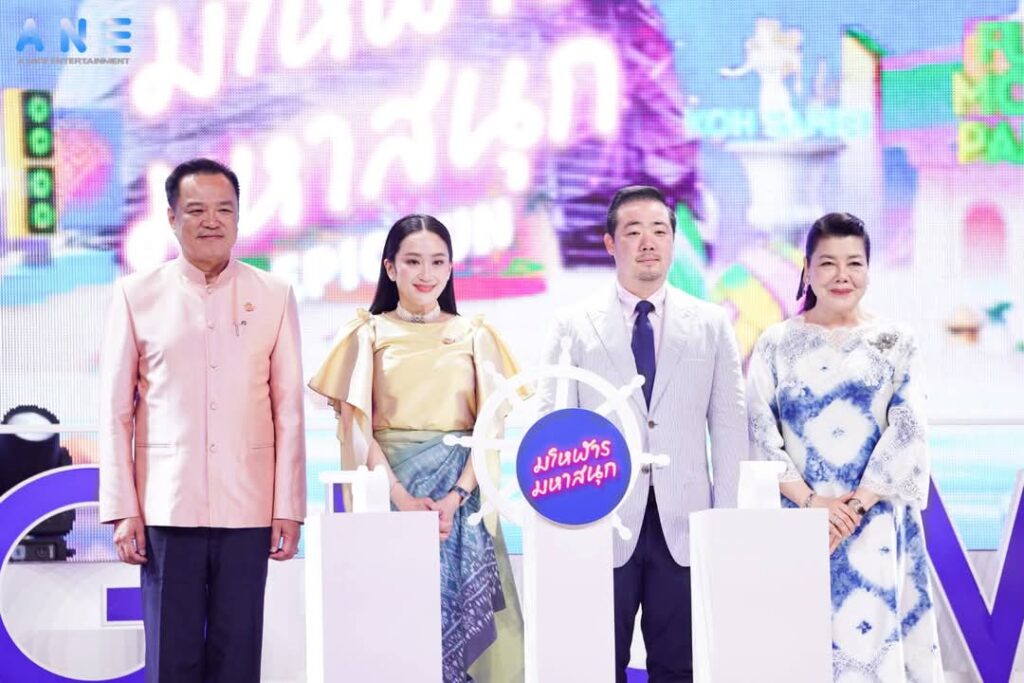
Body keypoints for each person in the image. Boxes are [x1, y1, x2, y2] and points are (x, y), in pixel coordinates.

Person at [98, 158, 307, 683]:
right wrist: (123, 509)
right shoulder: (136, 295)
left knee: (239, 658)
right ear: (171, 218)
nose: (211, 221)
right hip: (166, 507)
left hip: (249, 508)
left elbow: (289, 410)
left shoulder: (274, 294)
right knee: (171, 658)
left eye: (224, 210)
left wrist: (288, 507)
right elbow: (116, 413)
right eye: (196, 210)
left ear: (238, 216)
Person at [540, 186, 747, 683]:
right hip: (600, 518)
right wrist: (563, 518)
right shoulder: (572, 324)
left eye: (659, 230)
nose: (648, 242)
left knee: (680, 664)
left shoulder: (711, 324)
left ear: (674, 241)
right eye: (633, 231)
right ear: (610, 243)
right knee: (595, 663)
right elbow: (553, 425)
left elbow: (729, 426)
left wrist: (725, 517)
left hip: (685, 521)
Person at [308, 214, 524, 683]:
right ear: (390, 268)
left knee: (467, 636)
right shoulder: (366, 334)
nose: (426, 274)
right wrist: (400, 497)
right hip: (387, 499)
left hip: (461, 508)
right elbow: (358, 428)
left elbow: (490, 428)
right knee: (393, 625)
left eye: (438, 262)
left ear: (451, 268)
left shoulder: (476, 335)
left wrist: (456, 497)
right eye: (412, 261)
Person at [746, 212, 943, 680]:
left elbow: (909, 428)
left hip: (875, 525)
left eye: (854, 263)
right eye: (828, 263)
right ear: (807, 270)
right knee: (798, 650)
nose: (842, 275)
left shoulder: (897, 342)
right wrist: (813, 504)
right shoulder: (775, 344)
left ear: (869, 270)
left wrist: (852, 509)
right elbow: (758, 430)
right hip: (796, 524)